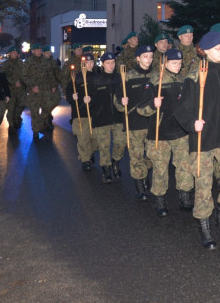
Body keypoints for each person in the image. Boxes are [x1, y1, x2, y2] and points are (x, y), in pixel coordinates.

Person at [178, 31, 220, 250]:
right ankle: (205, 227)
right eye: (217, 49)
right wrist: (191, 123)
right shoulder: (195, 76)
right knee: (203, 186)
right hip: (203, 139)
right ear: (205, 51)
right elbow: (182, 109)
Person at [144, 49, 191, 215]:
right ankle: (159, 199)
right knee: (160, 167)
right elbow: (142, 109)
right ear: (165, 63)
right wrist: (152, 104)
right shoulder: (155, 80)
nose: (178, 66)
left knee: (185, 166)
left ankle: (184, 196)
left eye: (179, 63)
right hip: (160, 132)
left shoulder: (183, 80)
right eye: (174, 63)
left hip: (180, 131)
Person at [115, 43, 159, 200]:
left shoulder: (157, 75)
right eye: (145, 57)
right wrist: (122, 102)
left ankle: (144, 171)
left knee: (153, 155)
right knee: (136, 155)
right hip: (134, 123)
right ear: (138, 58)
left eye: (151, 57)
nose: (149, 59)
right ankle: (140, 186)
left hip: (153, 123)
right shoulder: (128, 76)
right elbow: (117, 99)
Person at [89, 53, 126, 184]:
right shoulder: (96, 79)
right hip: (101, 118)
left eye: (113, 62)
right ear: (103, 64)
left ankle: (116, 162)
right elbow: (91, 99)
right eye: (108, 63)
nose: (111, 65)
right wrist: (88, 100)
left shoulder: (120, 78)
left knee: (121, 143)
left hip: (118, 117)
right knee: (104, 146)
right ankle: (106, 170)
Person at [67, 53, 98, 169]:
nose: (89, 64)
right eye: (86, 63)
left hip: (94, 112)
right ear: (82, 64)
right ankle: (85, 160)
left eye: (91, 62)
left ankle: (91, 152)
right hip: (80, 112)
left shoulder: (97, 76)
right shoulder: (76, 78)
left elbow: (101, 93)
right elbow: (69, 91)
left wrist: (92, 99)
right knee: (83, 137)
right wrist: (73, 97)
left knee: (96, 138)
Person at [24, 43, 60, 138]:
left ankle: (39, 125)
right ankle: (35, 131)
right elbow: (24, 76)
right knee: (35, 111)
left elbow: (51, 74)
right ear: (33, 51)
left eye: (40, 50)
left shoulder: (46, 61)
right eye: (37, 50)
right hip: (34, 91)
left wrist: (53, 85)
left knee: (47, 107)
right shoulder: (28, 62)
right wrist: (32, 86)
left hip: (46, 89)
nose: (39, 51)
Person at [1, 46, 27, 134]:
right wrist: (13, 82)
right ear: (10, 54)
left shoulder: (21, 63)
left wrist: (24, 84)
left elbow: (25, 74)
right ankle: (11, 125)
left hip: (21, 89)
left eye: (16, 53)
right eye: (13, 53)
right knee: (11, 108)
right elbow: (3, 77)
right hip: (10, 89)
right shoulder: (6, 64)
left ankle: (16, 118)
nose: (14, 54)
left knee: (22, 104)